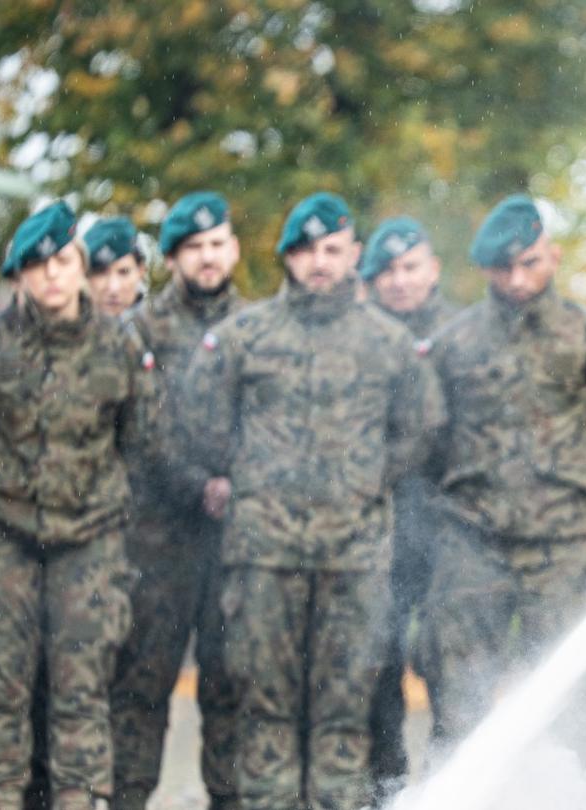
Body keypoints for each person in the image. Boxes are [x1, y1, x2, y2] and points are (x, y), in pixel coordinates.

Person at [185, 192, 443, 810]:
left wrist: (364, 477)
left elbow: (421, 426)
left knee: (343, 712)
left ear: (354, 254)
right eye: (306, 251)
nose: (320, 262)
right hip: (264, 557)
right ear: (287, 257)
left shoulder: (387, 342)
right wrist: (256, 474)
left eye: (332, 249)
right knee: (264, 708)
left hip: (353, 558)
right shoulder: (244, 337)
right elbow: (200, 420)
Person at [423, 194, 586, 807]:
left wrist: (575, 482)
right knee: (458, 704)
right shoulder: (453, 344)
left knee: (570, 701)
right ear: (485, 269)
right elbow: (428, 442)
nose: (518, 280)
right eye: (503, 268)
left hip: (559, 552)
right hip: (471, 550)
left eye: (528, 263)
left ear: (552, 255)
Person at [0, 201, 150, 810]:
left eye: (62, 261)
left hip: (88, 545)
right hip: (2, 541)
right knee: (0, 698)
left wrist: (92, 493)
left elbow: (142, 438)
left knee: (81, 699)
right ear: (20, 277)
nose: (51, 274)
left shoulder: (121, 347)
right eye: (36, 265)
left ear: (80, 266)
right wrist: (2, 489)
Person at [109, 191, 246, 810]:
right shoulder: (142, 329)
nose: (207, 257)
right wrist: (199, 485)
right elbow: (142, 429)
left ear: (233, 249)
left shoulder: (257, 327)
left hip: (234, 541)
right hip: (157, 539)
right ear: (170, 259)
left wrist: (238, 482)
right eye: (193, 247)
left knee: (229, 687)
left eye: (216, 244)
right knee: (140, 687)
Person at [359, 215, 456, 800]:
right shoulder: (358, 339)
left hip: (451, 533)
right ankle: (385, 792)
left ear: (433, 269)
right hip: (376, 531)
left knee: (450, 669)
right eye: (387, 270)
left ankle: (450, 792)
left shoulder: (464, 335)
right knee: (377, 670)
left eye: (410, 267)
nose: (400, 280)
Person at [82, 216, 146, 319]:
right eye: (101, 272)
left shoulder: (165, 324)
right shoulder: (63, 327)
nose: (113, 288)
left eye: (124, 272)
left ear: (141, 271)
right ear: (85, 276)